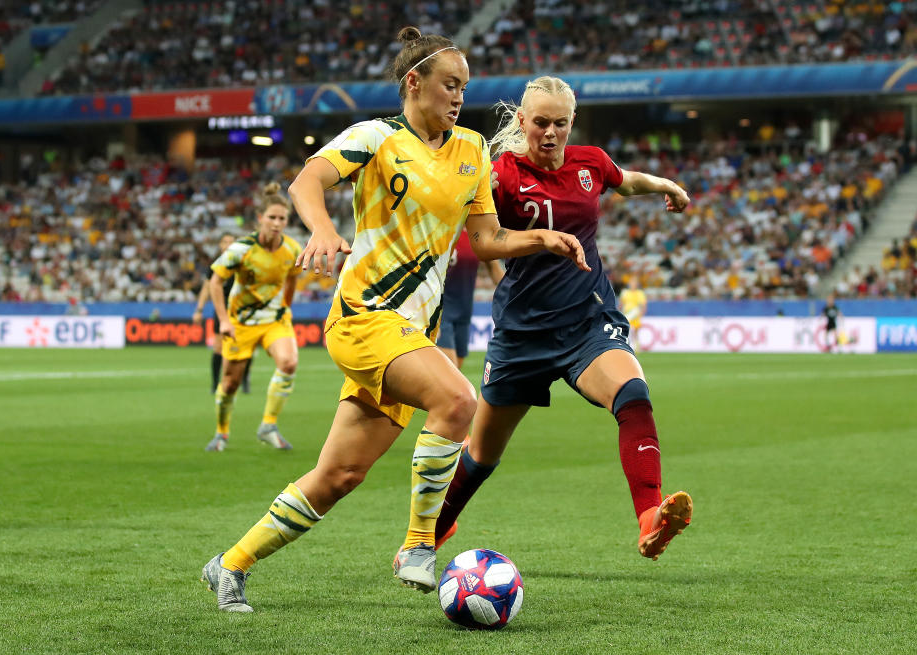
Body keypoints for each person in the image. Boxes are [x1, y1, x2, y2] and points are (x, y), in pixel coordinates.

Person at [200, 28, 590, 612]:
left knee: (339, 476)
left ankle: (228, 565)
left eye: (465, 87)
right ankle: (417, 547)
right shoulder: (377, 137)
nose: (459, 96)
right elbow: (307, 180)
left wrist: (541, 238)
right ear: (415, 82)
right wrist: (324, 228)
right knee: (459, 400)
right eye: (449, 84)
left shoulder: (472, 151)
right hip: (364, 317)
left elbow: (485, 238)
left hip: (410, 334)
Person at [434, 76, 694, 563]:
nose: (550, 133)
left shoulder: (590, 163)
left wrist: (666, 185)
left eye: (560, 123)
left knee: (633, 394)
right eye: (540, 123)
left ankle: (649, 516)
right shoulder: (500, 175)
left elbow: (626, 181)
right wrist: (540, 238)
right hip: (521, 333)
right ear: (521, 122)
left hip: (586, 320)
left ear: (571, 122)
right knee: (481, 454)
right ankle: (433, 529)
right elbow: (483, 239)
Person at [203, 183, 302, 453]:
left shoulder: (292, 249)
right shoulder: (241, 249)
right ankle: (221, 433)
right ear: (260, 218)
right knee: (230, 383)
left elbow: (292, 279)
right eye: (272, 217)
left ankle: (268, 425)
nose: (277, 223)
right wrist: (223, 320)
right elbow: (215, 282)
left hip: (274, 320)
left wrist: (286, 307)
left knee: (289, 362)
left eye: (282, 218)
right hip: (241, 323)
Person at [193, 233, 252, 395]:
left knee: (244, 347)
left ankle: (245, 380)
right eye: (225, 241)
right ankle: (214, 383)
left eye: (231, 242)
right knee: (218, 347)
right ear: (220, 245)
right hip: (221, 309)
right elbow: (206, 288)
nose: (228, 245)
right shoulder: (215, 266)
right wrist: (199, 310)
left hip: (241, 309)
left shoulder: (243, 262)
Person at [436, 232, 504, 368]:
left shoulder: (476, 234)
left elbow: (496, 272)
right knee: (451, 375)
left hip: (464, 313)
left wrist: (518, 296)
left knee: (456, 371)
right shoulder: (442, 232)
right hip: (441, 313)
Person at [619, 275, 647, 353]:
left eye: (634, 282)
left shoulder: (640, 293)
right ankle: (627, 346)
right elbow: (621, 305)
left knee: (635, 332)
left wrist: (640, 315)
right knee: (627, 332)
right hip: (627, 315)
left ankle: (637, 347)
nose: (633, 284)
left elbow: (643, 306)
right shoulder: (625, 292)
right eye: (631, 282)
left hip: (636, 316)